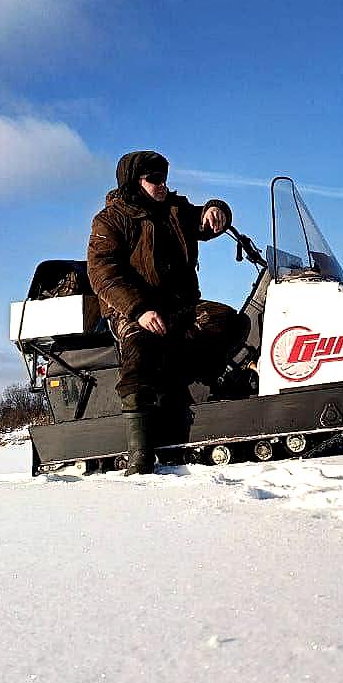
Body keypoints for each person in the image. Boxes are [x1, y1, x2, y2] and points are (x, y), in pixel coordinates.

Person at [87, 150, 249, 474]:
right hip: (132, 309)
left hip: (180, 306)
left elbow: (206, 219)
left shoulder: (176, 210)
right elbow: (102, 272)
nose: (162, 185)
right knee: (138, 352)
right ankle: (140, 456)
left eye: (164, 178)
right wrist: (139, 309)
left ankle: (188, 387)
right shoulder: (109, 220)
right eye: (153, 179)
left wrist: (218, 210)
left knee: (230, 323)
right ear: (135, 182)